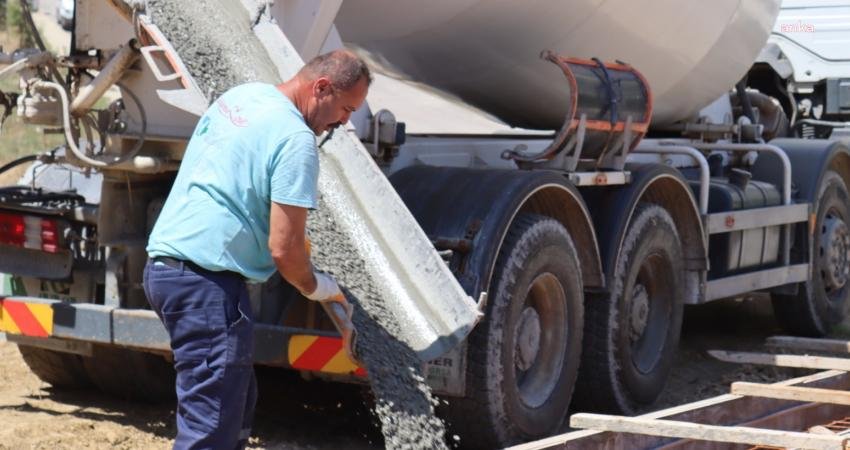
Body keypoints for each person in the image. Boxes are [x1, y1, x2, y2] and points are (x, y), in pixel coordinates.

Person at [143, 50, 371, 449]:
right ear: (320, 88)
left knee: (236, 403)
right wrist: (320, 287)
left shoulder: (244, 97)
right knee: (210, 428)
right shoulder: (297, 139)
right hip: (207, 285)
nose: (345, 121)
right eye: (345, 108)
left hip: (166, 269)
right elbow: (284, 250)